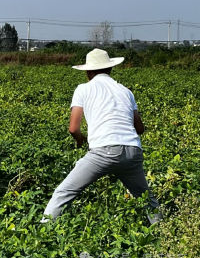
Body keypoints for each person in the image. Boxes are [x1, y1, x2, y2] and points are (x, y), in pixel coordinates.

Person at [42, 48, 162, 224]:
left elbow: (73, 128)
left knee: (64, 192)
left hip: (103, 151)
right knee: (147, 199)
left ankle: (42, 234)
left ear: (88, 71)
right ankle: (163, 233)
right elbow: (140, 128)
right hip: (133, 151)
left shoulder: (84, 89)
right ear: (110, 69)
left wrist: (80, 139)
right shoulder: (126, 91)